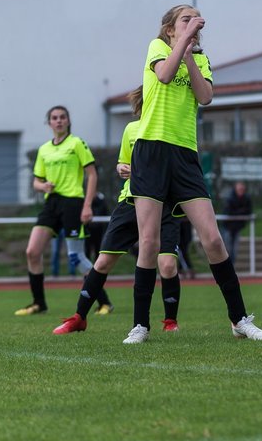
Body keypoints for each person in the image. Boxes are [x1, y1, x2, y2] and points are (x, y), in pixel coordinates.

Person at [125, 5, 262, 343]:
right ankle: (140, 325)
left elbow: (205, 97)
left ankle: (239, 320)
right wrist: (182, 44)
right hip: (150, 151)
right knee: (148, 241)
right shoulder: (157, 47)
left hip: (184, 154)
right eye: (185, 19)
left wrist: (191, 53)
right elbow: (163, 75)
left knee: (213, 239)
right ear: (170, 28)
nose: (193, 23)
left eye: (196, 19)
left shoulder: (200, 59)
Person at [54, 88, 182, 334]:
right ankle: (79, 317)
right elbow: (123, 163)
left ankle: (170, 322)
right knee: (102, 262)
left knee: (166, 265)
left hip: (164, 204)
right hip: (131, 202)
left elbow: (177, 170)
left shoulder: (173, 129)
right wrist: (123, 168)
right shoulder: (131, 130)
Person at [14, 105, 105, 316]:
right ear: (49, 123)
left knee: (76, 257)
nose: (59, 121)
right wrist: (43, 186)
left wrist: (87, 205)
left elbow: (92, 175)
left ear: (68, 121)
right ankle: (39, 303)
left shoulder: (77, 143)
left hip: (73, 203)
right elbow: (36, 181)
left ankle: (104, 302)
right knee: (32, 252)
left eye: (62, 117)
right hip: (51, 204)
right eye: (54, 118)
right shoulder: (44, 149)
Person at [221, 181, 253, 264]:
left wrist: (238, 212)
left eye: (242, 189)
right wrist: (241, 211)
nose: (241, 190)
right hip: (227, 227)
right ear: (235, 189)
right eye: (239, 189)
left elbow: (249, 211)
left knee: (235, 249)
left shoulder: (246, 198)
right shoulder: (230, 198)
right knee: (227, 248)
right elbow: (229, 212)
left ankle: (232, 267)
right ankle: (226, 267)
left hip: (237, 227)